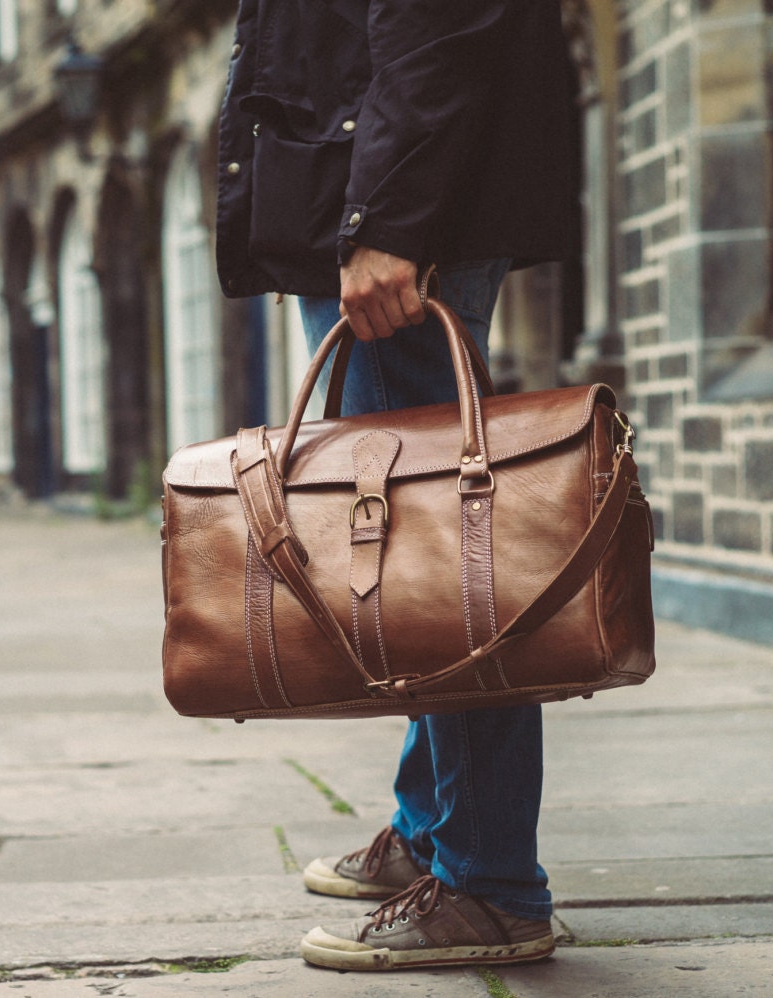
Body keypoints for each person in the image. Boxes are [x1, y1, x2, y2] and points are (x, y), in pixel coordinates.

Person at [213, 0, 579, 973]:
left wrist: (389, 219)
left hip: (396, 208)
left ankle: (491, 882)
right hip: (369, 188)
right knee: (415, 560)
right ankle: (435, 832)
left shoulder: (396, 226)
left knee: (438, 550)